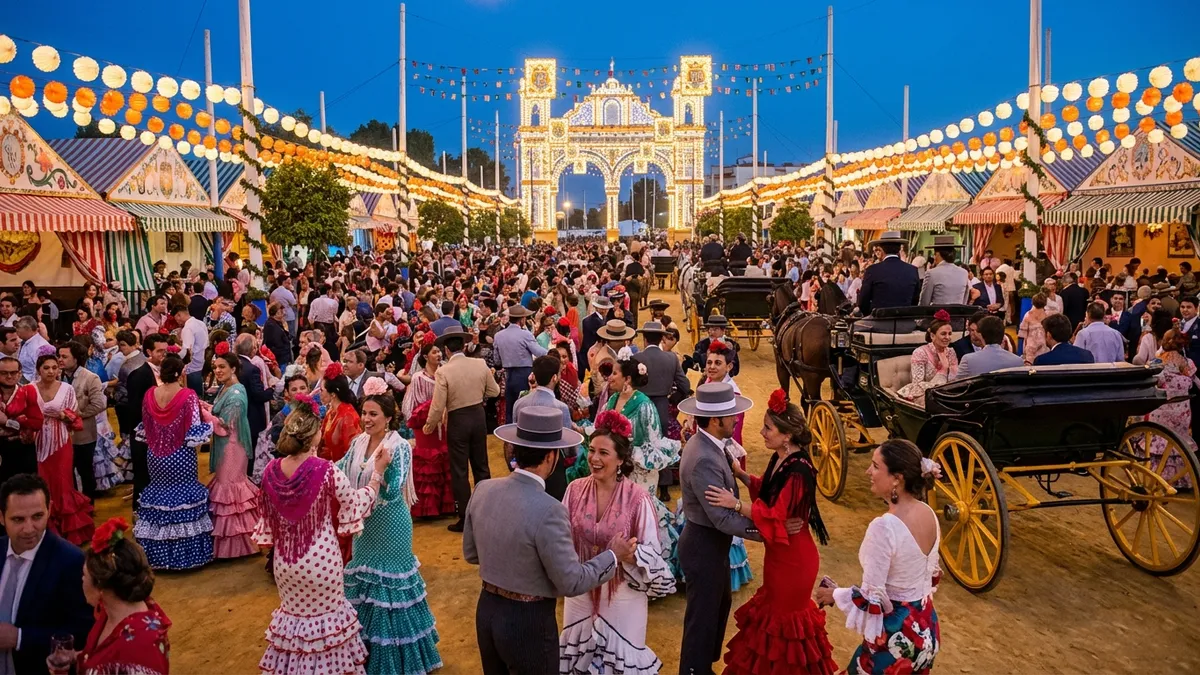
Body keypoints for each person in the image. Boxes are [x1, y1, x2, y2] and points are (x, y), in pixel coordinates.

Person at [466, 406, 633, 675]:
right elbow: (571, 581)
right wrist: (612, 555)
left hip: (486, 610)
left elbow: (471, 554)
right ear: (551, 457)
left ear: (515, 450)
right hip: (528, 621)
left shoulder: (483, 489)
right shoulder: (550, 509)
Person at [255, 396, 390, 674]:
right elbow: (356, 504)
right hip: (321, 560)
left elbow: (266, 524)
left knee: (294, 627)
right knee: (328, 630)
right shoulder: (326, 471)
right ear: (314, 437)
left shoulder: (270, 471)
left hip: (285, 562)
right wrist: (376, 475)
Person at [707, 389, 837, 675]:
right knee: (774, 627)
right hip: (780, 556)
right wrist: (742, 476)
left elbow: (776, 514)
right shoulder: (781, 457)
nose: (762, 433)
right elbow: (768, 488)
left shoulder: (799, 469)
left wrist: (736, 504)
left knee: (784, 627)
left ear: (787, 435)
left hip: (794, 561)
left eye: (768, 428)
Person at [338, 381, 442, 674]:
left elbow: (394, 492)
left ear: (387, 417)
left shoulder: (398, 446)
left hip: (391, 525)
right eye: (364, 413)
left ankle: (398, 660)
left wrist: (382, 470)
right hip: (364, 525)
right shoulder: (358, 442)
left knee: (391, 591)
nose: (367, 419)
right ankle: (366, 651)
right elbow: (341, 467)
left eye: (373, 414)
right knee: (365, 586)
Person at [559, 415, 675, 672]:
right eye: (591, 450)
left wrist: (629, 556)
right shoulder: (574, 490)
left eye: (603, 452)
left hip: (623, 598)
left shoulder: (638, 499)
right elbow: (561, 537)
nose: (594, 459)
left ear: (621, 459)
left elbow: (653, 555)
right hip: (580, 595)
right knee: (578, 659)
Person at [815, 440, 942, 675]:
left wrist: (833, 594)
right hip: (926, 630)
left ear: (897, 478)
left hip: (897, 639)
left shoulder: (884, 527)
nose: (868, 471)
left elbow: (871, 598)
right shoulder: (929, 513)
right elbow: (924, 576)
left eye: (875, 466)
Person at [676, 383, 761, 675]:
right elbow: (722, 519)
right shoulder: (704, 458)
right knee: (703, 617)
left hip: (710, 544)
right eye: (731, 415)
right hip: (704, 544)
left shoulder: (709, 446)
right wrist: (767, 532)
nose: (736, 419)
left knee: (717, 606)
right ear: (715, 420)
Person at [0, 474, 94, 675]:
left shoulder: (71, 561)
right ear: (1, 517)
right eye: (18, 519)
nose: (29, 529)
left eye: (37, 516)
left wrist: (19, 638)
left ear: (49, 509)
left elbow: (82, 632)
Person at [132, 352, 214, 570]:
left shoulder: (150, 394)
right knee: (184, 497)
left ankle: (158, 555)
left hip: (155, 455)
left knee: (160, 497)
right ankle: (185, 555)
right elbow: (195, 429)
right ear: (180, 372)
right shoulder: (187, 395)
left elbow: (145, 426)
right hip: (180, 455)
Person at [424, 326, 500, 532]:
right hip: (478, 416)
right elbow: (495, 391)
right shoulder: (479, 364)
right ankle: (487, 512)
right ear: (465, 346)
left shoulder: (444, 371)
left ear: (446, 351)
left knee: (459, 471)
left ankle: (464, 516)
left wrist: (429, 425)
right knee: (481, 466)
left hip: (458, 419)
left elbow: (438, 405)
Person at [77, 517, 171, 675]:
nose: (81, 580)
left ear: (101, 587)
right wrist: (76, 659)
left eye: (84, 575)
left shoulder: (140, 649)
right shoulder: (111, 613)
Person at [32, 349, 95, 546]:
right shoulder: (30, 389)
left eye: (54, 368)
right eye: (46, 368)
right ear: (38, 370)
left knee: (62, 483)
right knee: (43, 482)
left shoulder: (67, 389)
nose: (51, 371)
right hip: (39, 442)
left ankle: (69, 532)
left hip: (61, 442)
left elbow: (74, 416)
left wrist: (61, 415)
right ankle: (46, 529)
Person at [203, 351, 260, 560]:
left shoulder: (236, 394)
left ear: (233, 369)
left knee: (231, 492)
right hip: (225, 446)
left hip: (232, 448)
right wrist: (207, 407)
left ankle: (241, 545)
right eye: (216, 367)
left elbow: (224, 427)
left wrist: (204, 413)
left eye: (222, 367)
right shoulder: (225, 388)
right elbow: (219, 413)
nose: (217, 371)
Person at [509, 355, 575, 501]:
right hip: (551, 466)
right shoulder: (561, 407)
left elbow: (514, 438)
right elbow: (569, 447)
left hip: (524, 463)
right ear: (554, 378)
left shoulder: (519, 403)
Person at [403, 344, 456, 518]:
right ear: (425, 356)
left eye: (440, 351)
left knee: (444, 460)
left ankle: (446, 506)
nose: (439, 354)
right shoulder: (418, 378)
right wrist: (433, 411)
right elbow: (410, 406)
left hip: (446, 425)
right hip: (426, 427)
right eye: (434, 352)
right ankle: (427, 508)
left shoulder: (447, 373)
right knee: (428, 463)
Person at [58, 342, 106, 501]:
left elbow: (99, 405)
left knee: (85, 470)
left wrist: (77, 415)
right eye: (59, 356)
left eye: (64, 356)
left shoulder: (90, 378)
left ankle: (89, 504)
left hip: (84, 433)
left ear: (77, 358)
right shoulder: (58, 375)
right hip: (62, 434)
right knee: (66, 471)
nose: (60, 360)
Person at [633, 321, 692, 435]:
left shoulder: (636, 358)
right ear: (661, 339)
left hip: (639, 407)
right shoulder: (672, 358)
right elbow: (685, 386)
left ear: (645, 339)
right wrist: (674, 396)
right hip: (661, 408)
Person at [493, 305, 547, 418]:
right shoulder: (525, 334)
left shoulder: (498, 336)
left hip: (508, 375)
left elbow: (496, 360)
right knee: (524, 408)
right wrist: (552, 351)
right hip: (524, 374)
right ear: (522, 319)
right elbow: (539, 352)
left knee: (510, 409)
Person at [896, 310, 958, 406]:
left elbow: (955, 380)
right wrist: (944, 369)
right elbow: (917, 386)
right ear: (932, 336)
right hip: (924, 396)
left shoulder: (951, 352)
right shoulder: (920, 353)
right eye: (943, 334)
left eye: (949, 334)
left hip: (948, 395)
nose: (947, 337)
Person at [0, 357, 42, 485]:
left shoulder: (27, 392)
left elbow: (37, 422)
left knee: (25, 488)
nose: (9, 376)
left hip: (21, 448)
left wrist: (7, 422)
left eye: (13, 372)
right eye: (4, 373)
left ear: (19, 374)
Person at [857, 232, 920, 318]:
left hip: (878, 321)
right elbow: (915, 300)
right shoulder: (912, 270)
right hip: (904, 322)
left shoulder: (873, 270)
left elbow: (863, 302)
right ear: (899, 249)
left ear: (882, 248)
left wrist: (871, 315)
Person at [953, 316, 1023, 380]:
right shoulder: (1018, 361)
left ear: (980, 336)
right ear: (1002, 335)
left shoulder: (968, 360)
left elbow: (955, 387)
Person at [919, 236, 969, 306]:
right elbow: (964, 300)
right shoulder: (964, 272)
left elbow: (924, 302)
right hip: (958, 315)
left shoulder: (931, 273)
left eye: (934, 254)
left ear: (937, 255)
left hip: (937, 315)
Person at [16, 317, 50, 383]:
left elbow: (39, 370)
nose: (17, 334)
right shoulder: (25, 341)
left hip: (30, 380)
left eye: (19, 331)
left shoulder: (39, 346)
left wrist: (33, 386)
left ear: (28, 329)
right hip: (22, 375)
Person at [1019, 293, 1049, 365]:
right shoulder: (1048, 315)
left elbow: (1023, 335)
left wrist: (1024, 352)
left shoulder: (1028, 315)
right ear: (1045, 302)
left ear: (1033, 302)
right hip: (1044, 344)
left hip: (1031, 345)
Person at [262, 302, 293, 369]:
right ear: (276, 314)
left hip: (283, 357)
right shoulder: (271, 325)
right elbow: (277, 343)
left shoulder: (278, 323)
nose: (284, 313)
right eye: (281, 311)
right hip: (280, 359)